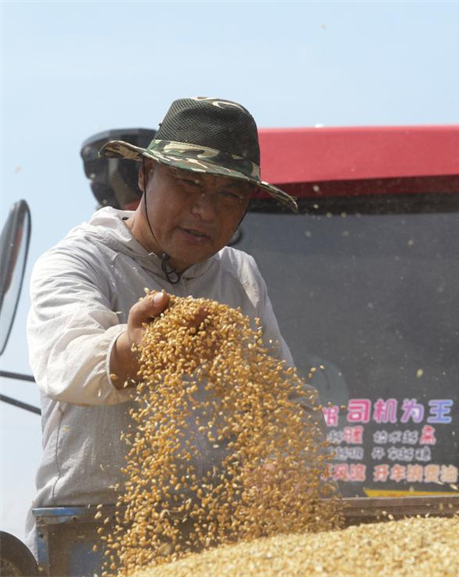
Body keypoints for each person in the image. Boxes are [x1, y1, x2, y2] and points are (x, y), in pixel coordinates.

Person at [24, 97, 319, 556]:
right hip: (89, 533)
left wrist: (284, 458)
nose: (205, 210)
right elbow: (66, 360)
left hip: (216, 535)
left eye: (228, 195)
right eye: (187, 184)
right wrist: (130, 350)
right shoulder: (80, 260)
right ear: (145, 176)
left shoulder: (239, 278)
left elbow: (285, 403)